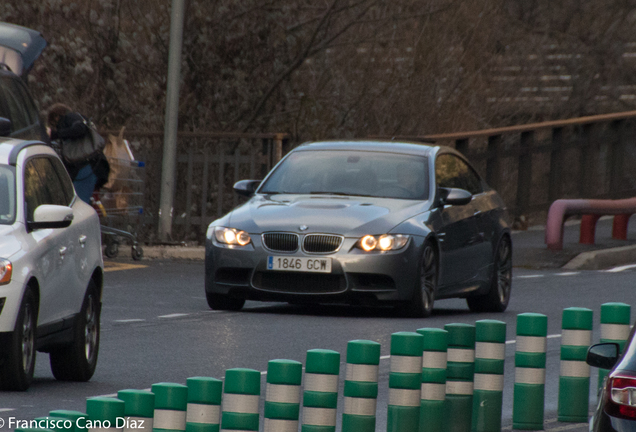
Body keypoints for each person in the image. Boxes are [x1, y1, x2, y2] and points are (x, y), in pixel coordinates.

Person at [47, 103, 109, 204]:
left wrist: (55, 134)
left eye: (54, 124)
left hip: (86, 166)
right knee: (80, 202)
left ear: (57, 117)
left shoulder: (70, 117)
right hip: (91, 165)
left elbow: (79, 129)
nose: (56, 127)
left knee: (80, 204)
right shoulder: (75, 118)